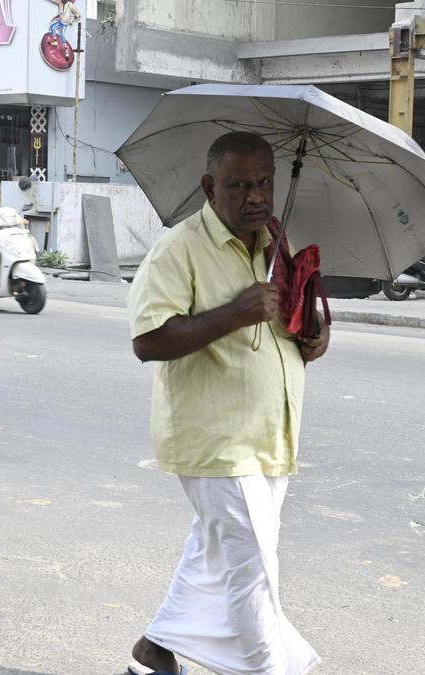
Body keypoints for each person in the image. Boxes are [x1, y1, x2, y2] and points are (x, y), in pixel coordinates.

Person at [126, 131, 329, 675]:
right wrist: (234, 314)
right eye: (239, 185)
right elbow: (148, 340)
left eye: (264, 182)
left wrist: (313, 337)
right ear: (209, 187)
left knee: (216, 552)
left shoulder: (276, 243)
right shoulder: (179, 249)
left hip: (269, 432)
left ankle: (154, 650)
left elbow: (286, 325)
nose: (255, 196)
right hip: (216, 438)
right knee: (251, 568)